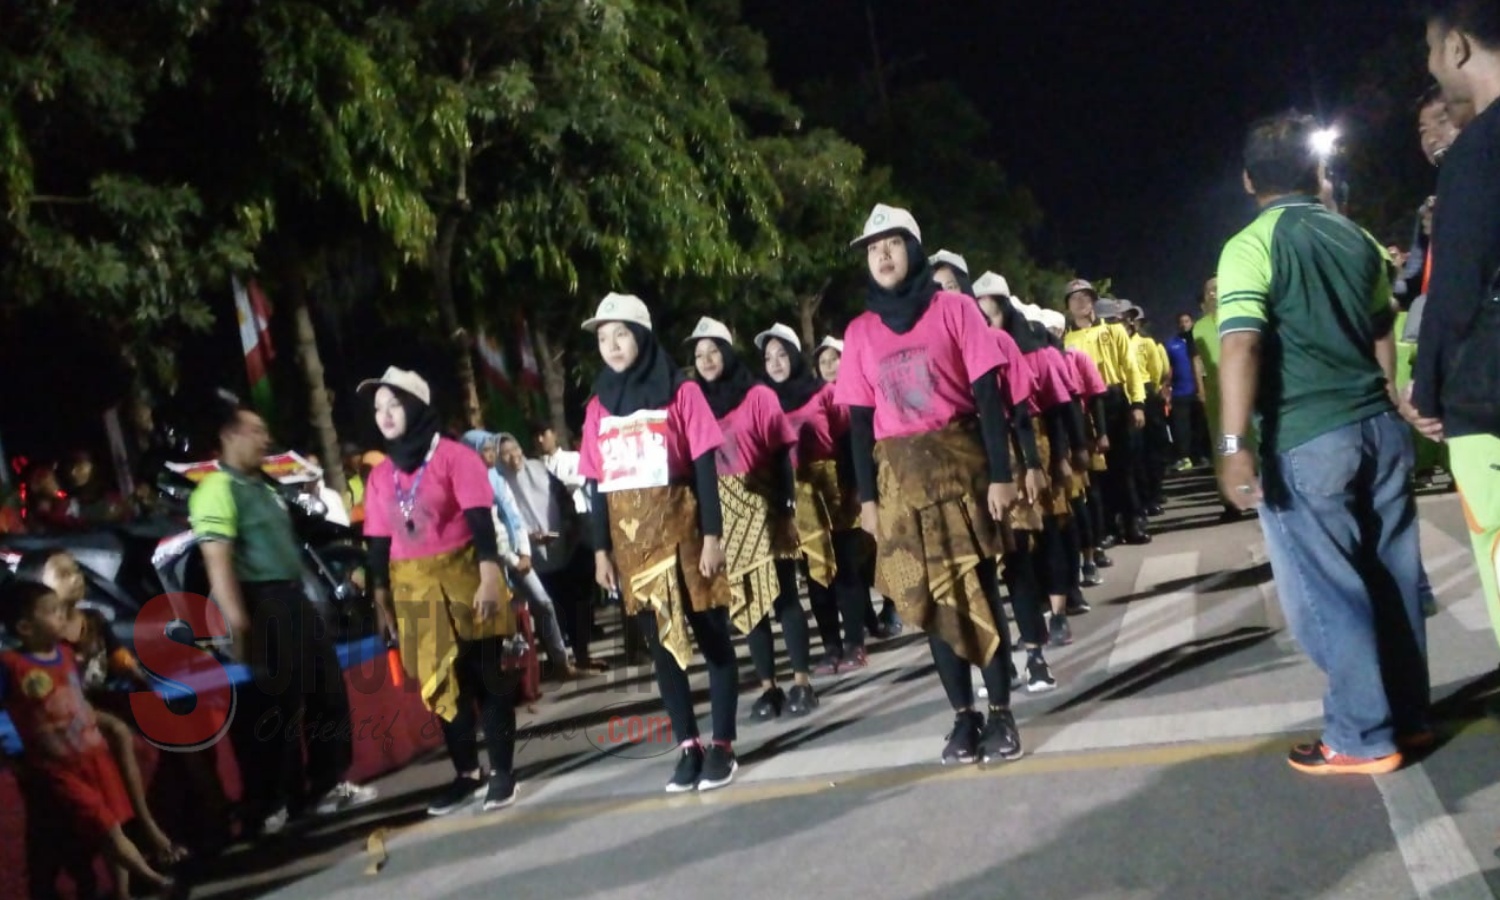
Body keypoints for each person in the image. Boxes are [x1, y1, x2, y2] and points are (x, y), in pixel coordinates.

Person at [1219, 111, 1427, 775]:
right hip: (1379, 428)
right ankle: (1408, 718)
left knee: (1329, 593)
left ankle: (1362, 735)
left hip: (1308, 437)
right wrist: (1388, 393)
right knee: (1392, 578)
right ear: (1316, 172)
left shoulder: (1251, 244)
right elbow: (1381, 326)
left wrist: (1232, 442)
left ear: (1250, 180)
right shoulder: (1357, 237)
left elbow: (1242, 341)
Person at [838, 204, 1023, 765]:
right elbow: (859, 424)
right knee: (930, 601)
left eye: (892, 244)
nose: (883, 256)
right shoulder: (859, 331)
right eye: (873, 249)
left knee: (978, 592)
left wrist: (1001, 474)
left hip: (961, 472)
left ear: (914, 249)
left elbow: (989, 398)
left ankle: (1001, 713)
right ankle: (963, 717)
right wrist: (867, 501)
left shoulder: (955, 310)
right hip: (901, 485)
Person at [189, 400, 375, 834]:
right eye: (255, 431)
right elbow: (218, 561)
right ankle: (272, 801)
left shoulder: (266, 487)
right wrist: (237, 622)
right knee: (278, 703)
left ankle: (328, 783)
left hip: (294, 597)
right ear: (229, 436)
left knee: (327, 689)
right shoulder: (216, 489)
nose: (265, 440)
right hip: (260, 600)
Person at [579, 293, 740, 792]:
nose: (612, 346)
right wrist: (601, 550)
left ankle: (723, 745)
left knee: (711, 639)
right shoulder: (597, 406)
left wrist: (713, 536)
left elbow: (705, 466)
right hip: (635, 551)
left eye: (621, 334)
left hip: (687, 535)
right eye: (603, 338)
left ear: (642, 336)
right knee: (663, 652)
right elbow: (594, 485)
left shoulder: (681, 391)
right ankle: (688, 745)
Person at [362, 369, 522, 814]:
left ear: (415, 406)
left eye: (394, 405)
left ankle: (504, 773)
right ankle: (467, 774)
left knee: (484, 675)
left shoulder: (455, 457)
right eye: (378, 409)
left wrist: (490, 576)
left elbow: (480, 522)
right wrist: (380, 598)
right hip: (411, 586)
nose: (385, 416)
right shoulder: (381, 476)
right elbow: (376, 542)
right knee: (441, 680)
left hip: (465, 575)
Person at [1406, 0, 1500, 651]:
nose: (1434, 67)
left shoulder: (1478, 152)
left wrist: (1429, 391)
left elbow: (1457, 289)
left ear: (1460, 47)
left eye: (1433, 51)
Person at [0, 579, 188, 900]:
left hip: (94, 755)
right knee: (107, 828)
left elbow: (77, 700)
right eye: (52, 613)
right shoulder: (11, 667)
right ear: (24, 627)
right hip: (59, 767)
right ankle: (155, 879)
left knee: (114, 820)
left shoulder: (64, 655)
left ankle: (123, 892)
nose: (63, 618)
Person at [685, 317, 812, 720]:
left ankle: (802, 681)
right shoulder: (695, 404)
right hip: (724, 516)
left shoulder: (757, 395)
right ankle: (768, 686)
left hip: (764, 503)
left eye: (713, 352)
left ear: (727, 352)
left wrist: (788, 509)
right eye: (698, 354)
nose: (706, 360)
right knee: (746, 601)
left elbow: (781, 454)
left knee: (784, 595)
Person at [969, 272, 1067, 682]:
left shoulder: (1000, 343)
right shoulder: (937, 346)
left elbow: (1021, 412)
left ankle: (1035, 654)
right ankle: (996, 661)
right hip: (963, 467)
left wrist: (1031, 464)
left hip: (1005, 460)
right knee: (978, 571)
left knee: (1017, 559)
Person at [758, 322, 868, 687]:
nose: (775, 363)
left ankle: (854, 643)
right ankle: (831, 645)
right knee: (815, 572)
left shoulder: (824, 393)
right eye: (769, 357)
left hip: (833, 487)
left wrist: (855, 487)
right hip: (796, 496)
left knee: (844, 567)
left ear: (794, 357)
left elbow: (849, 437)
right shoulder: (765, 402)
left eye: (781, 354)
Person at [460, 430, 576, 681]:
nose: (491, 455)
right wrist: (512, 557)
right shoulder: (468, 483)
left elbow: (513, 517)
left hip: (515, 556)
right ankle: (514, 677)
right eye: (486, 450)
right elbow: (487, 529)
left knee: (542, 603)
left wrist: (523, 552)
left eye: (493, 450)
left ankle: (560, 662)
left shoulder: (496, 478)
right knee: (504, 618)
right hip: (491, 562)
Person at [497, 432, 608, 673]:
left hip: (561, 544)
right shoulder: (500, 483)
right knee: (549, 609)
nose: (512, 456)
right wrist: (529, 537)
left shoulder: (538, 469)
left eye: (514, 449)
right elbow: (505, 520)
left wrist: (565, 530)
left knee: (577, 605)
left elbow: (562, 499)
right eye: (504, 453)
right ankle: (560, 661)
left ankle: (582, 655)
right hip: (530, 555)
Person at [1064, 284, 1151, 545]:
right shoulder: (1067, 340)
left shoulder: (1114, 331)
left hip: (1115, 400)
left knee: (1124, 466)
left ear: (1093, 301)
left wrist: (1137, 403)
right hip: (1087, 406)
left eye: (1085, 297)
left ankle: (1132, 522)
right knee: (1098, 472)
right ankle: (1108, 527)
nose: (1080, 302)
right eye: (1074, 299)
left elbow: (1131, 367)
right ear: (1067, 306)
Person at [1166, 312, 1208, 469]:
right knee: (1181, 428)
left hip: (1199, 392)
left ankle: (1201, 455)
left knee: (1200, 427)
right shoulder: (1171, 344)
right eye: (1181, 322)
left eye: (1187, 321)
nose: (1184, 324)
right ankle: (1184, 457)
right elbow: (1167, 369)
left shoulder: (1199, 341)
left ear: (1192, 322)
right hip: (1179, 393)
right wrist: (1166, 390)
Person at [533, 421, 590, 519]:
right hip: (553, 517)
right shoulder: (536, 466)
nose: (540, 440)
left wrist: (551, 484)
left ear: (554, 435)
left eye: (543, 434)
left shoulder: (573, 457)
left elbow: (579, 480)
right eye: (537, 436)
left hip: (578, 512)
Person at [303, 453, 351, 527]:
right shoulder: (299, 497)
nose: (310, 469)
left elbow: (341, 524)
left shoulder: (330, 495)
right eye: (307, 465)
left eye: (314, 466)